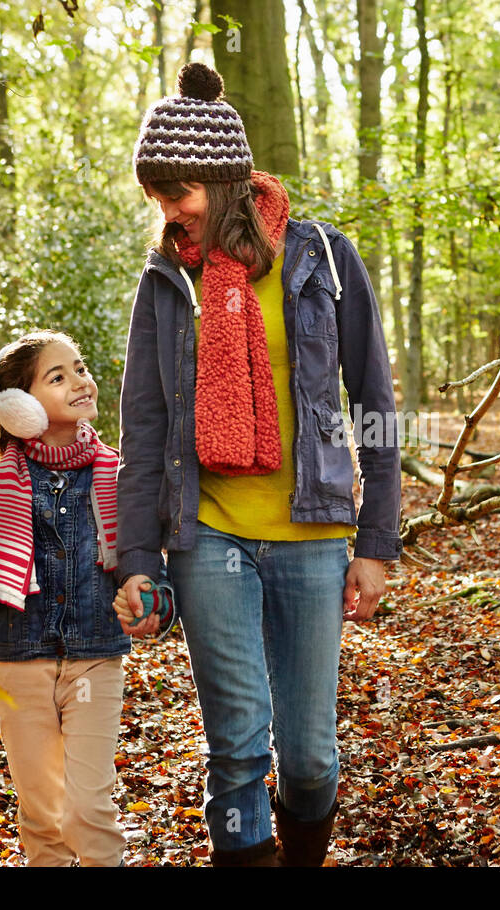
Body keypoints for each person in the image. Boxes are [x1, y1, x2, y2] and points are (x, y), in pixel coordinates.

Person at [115, 61, 402, 866]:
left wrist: (378, 543)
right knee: (238, 748)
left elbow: (374, 406)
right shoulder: (168, 281)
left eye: (180, 192)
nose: (170, 213)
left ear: (222, 180)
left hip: (313, 536)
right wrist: (137, 558)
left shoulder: (325, 261)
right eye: (159, 198)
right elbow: (143, 430)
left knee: (310, 759)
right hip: (208, 536)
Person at [0, 330, 133, 867]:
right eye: (59, 376)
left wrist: (153, 602)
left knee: (88, 807)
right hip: (20, 666)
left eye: (80, 367)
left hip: (95, 658)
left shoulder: (117, 479)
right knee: (41, 816)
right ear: (19, 406)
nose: (80, 380)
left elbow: (144, 566)